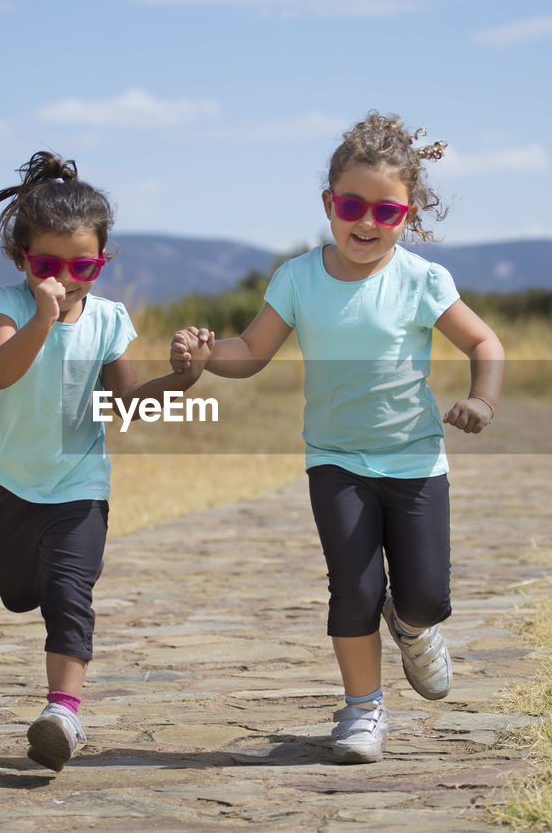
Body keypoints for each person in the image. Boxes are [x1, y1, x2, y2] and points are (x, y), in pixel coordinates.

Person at [171, 112, 504, 764]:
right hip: (336, 460)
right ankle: (362, 708)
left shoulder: (421, 280)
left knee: (427, 594)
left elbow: (485, 341)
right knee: (352, 586)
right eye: (352, 205)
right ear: (329, 203)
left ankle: (410, 625)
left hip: (413, 460)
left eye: (388, 211)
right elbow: (252, 350)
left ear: (408, 214)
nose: (368, 222)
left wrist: (482, 398)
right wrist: (208, 356)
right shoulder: (298, 279)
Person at [0, 150, 208, 772]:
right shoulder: (9, 306)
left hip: (80, 486)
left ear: (101, 261)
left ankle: (62, 712)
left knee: (70, 595)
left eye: (84, 266)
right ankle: (52, 666)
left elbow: (125, 407)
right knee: (22, 594)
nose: (66, 279)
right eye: (49, 265)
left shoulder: (107, 320)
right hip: (15, 486)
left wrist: (183, 380)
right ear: (23, 259)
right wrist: (43, 319)